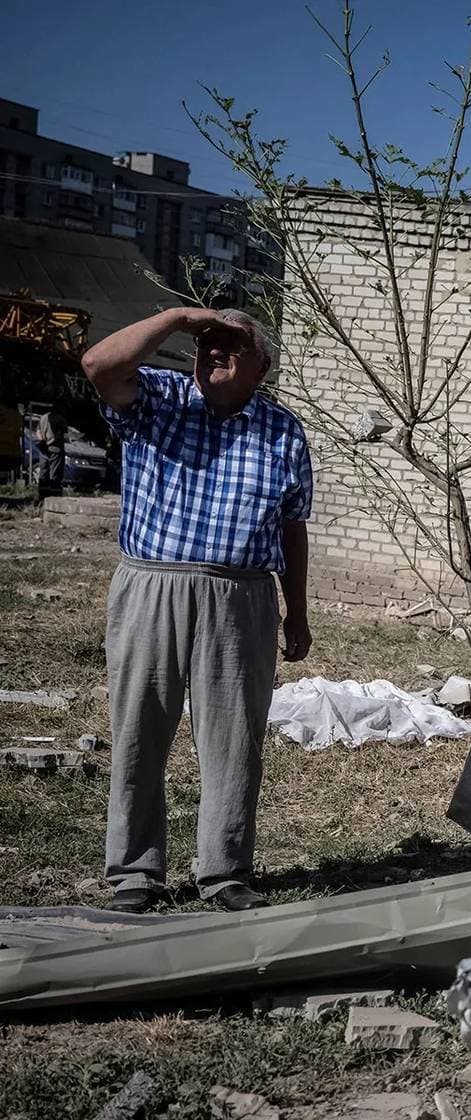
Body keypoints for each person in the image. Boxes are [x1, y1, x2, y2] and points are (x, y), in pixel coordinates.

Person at [79, 306, 313, 914]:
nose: (213, 352)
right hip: (152, 585)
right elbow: (97, 363)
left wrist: (299, 611)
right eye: (205, 343)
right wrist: (183, 316)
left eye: (231, 344)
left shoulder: (283, 430)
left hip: (242, 594)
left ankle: (225, 871)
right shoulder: (158, 398)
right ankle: (133, 872)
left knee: (235, 738)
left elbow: (293, 527)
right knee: (139, 729)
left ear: (262, 365)